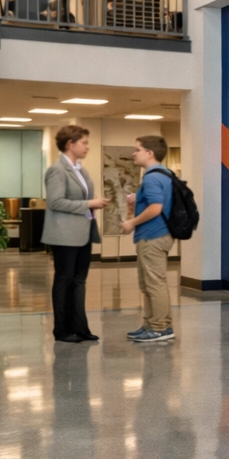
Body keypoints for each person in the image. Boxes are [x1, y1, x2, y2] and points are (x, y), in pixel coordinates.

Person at [43, 124, 107, 344]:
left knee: (79, 281)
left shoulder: (81, 170)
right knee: (64, 281)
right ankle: (61, 330)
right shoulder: (57, 170)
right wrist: (89, 203)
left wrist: (92, 204)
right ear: (71, 145)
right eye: (84, 143)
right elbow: (55, 201)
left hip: (83, 233)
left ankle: (80, 327)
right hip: (64, 235)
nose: (87, 147)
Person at [120, 135, 176, 344]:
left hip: (153, 235)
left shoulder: (152, 177)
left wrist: (131, 223)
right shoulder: (165, 174)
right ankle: (151, 324)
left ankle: (161, 328)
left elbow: (156, 207)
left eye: (137, 149)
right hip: (159, 234)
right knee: (149, 283)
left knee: (154, 283)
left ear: (149, 153)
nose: (134, 153)